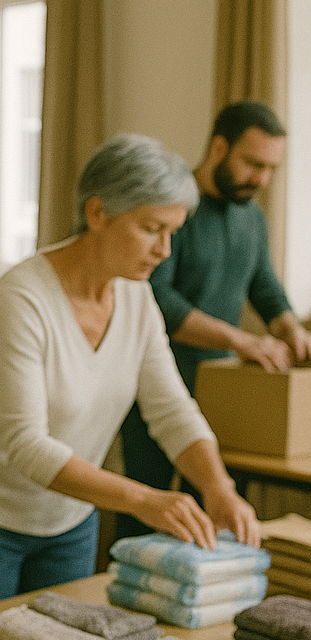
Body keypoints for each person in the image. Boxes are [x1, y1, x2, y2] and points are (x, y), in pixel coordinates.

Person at [0, 133, 260, 615]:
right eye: (151, 228)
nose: (165, 250)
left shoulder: (136, 298)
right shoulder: (21, 298)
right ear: (98, 213)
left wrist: (218, 487)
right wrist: (145, 500)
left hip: (71, 521)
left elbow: (170, 409)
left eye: (173, 232)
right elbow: (27, 445)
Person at [118, 100, 311, 539]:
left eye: (270, 169)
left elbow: (264, 285)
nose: (260, 178)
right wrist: (244, 342)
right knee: (144, 512)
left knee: (212, 514)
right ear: (219, 147)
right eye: (252, 163)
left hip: (221, 395)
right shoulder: (172, 209)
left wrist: (288, 327)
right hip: (153, 386)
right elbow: (159, 300)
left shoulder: (252, 217)